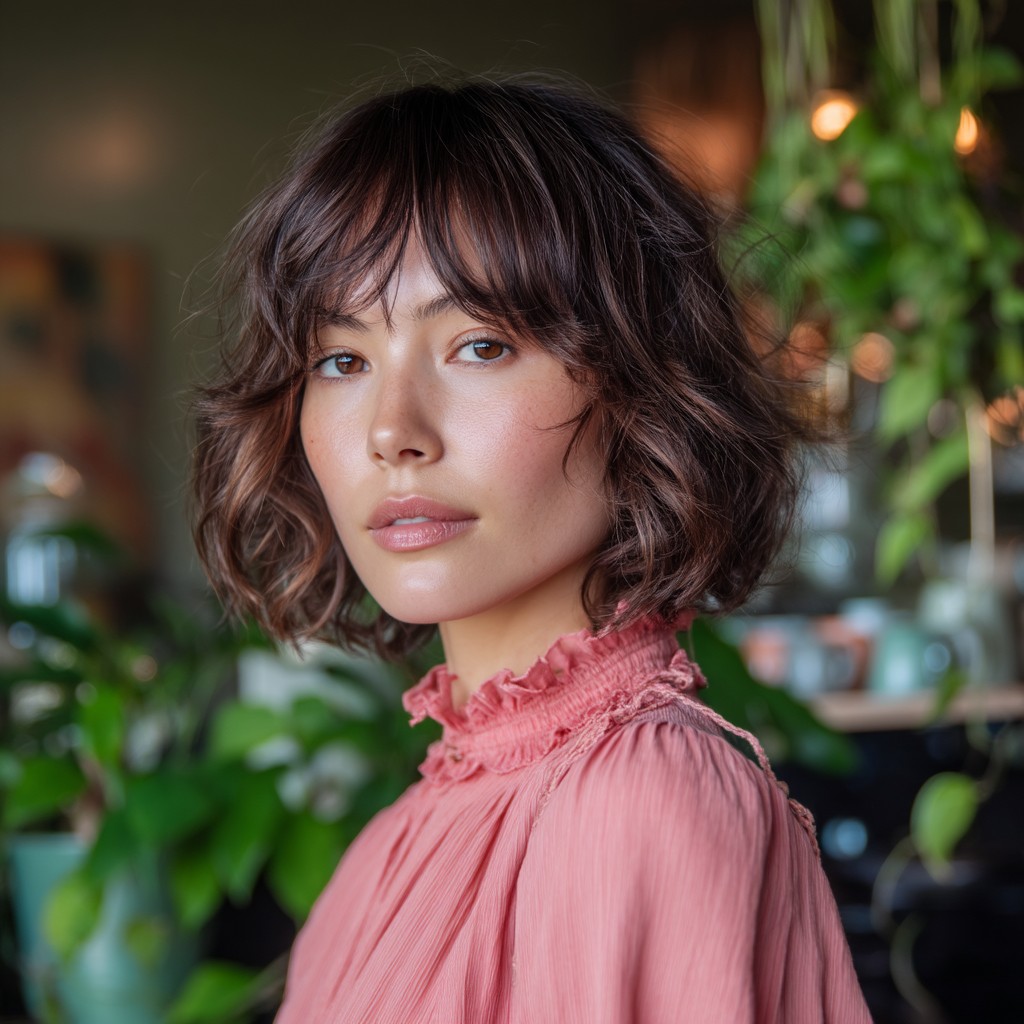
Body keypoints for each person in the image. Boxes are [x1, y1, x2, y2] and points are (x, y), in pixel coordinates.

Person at [192, 76, 872, 1023]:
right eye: (341, 360)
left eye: (479, 345)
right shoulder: (383, 856)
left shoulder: (645, 801)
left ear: (641, 381)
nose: (393, 430)